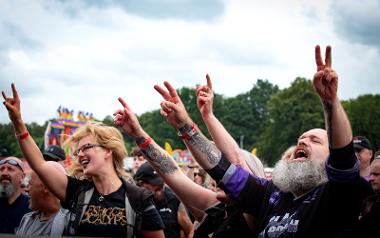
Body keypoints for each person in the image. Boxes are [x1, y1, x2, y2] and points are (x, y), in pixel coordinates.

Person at [156, 45, 374, 237]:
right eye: (301, 138)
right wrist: (184, 125)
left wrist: (330, 102)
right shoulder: (271, 196)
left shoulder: (338, 194)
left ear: (331, 158)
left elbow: (343, 154)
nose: (303, 142)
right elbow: (222, 168)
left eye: (315, 140)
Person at [2, 85, 165, 238]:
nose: (80, 155)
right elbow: (40, 164)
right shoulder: (77, 192)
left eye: (86, 147)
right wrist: (18, 122)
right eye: (78, 151)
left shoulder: (138, 198)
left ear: (108, 150)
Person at [135, 162, 194, 238]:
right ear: (141, 184)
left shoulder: (173, 198)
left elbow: (190, 230)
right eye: (156, 190)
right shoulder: (132, 202)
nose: (159, 193)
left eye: (161, 187)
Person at [16, 161, 70, 236]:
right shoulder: (26, 220)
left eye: (30, 184)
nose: (26, 190)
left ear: (46, 186)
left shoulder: (71, 222)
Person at [0, 156, 31, 234]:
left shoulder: (31, 207)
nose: (4, 173)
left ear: (22, 177)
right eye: (1, 169)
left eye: (10, 169)